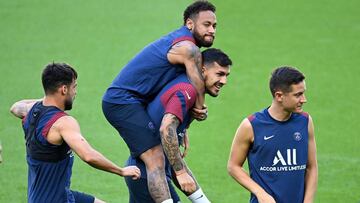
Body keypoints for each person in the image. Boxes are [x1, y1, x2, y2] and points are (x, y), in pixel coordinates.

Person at [102, 1, 217, 203]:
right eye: (206, 24)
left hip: (135, 102)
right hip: (122, 102)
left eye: (214, 26)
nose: (211, 30)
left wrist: (184, 125)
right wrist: (199, 109)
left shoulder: (182, 43)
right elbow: (197, 81)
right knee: (156, 157)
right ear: (190, 24)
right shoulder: (189, 49)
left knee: (163, 154)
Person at [10, 63, 141, 203]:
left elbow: (15, 107)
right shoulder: (63, 123)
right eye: (74, 87)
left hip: (52, 195)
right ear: (64, 89)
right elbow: (88, 156)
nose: (75, 93)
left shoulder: (31, 111)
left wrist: (48, 98)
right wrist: (121, 171)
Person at [125, 48, 232, 203]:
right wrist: (181, 172)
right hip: (148, 177)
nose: (224, 81)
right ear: (202, 70)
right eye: (219, 74)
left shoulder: (187, 87)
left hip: (148, 175)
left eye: (226, 75)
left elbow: (171, 156)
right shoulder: (187, 91)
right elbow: (166, 128)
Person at [227, 66, 318, 203]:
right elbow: (233, 166)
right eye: (298, 95)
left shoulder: (305, 122)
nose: (304, 99)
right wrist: (260, 193)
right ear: (279, 96)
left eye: (303, 93)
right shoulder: (251, 125)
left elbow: (311, 167)